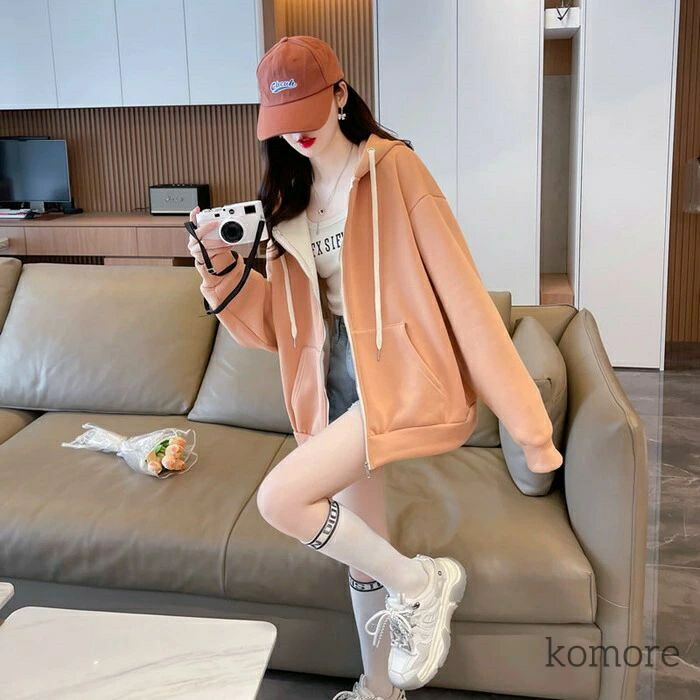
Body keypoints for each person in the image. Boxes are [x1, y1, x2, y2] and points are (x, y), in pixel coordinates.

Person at [187, 35, 563, 700]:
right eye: (283, 122)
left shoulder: (394, 170)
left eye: (308, 113)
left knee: (281, 499)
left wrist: (529, 427)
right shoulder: (287, 199)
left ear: (340, 94)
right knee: (361, 552)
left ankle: (421, 582)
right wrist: (218, 270)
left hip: (394, 380)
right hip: (331, 381)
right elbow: (276, 329)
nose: (297, 133)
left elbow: (463, 296)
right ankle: (379, 689)